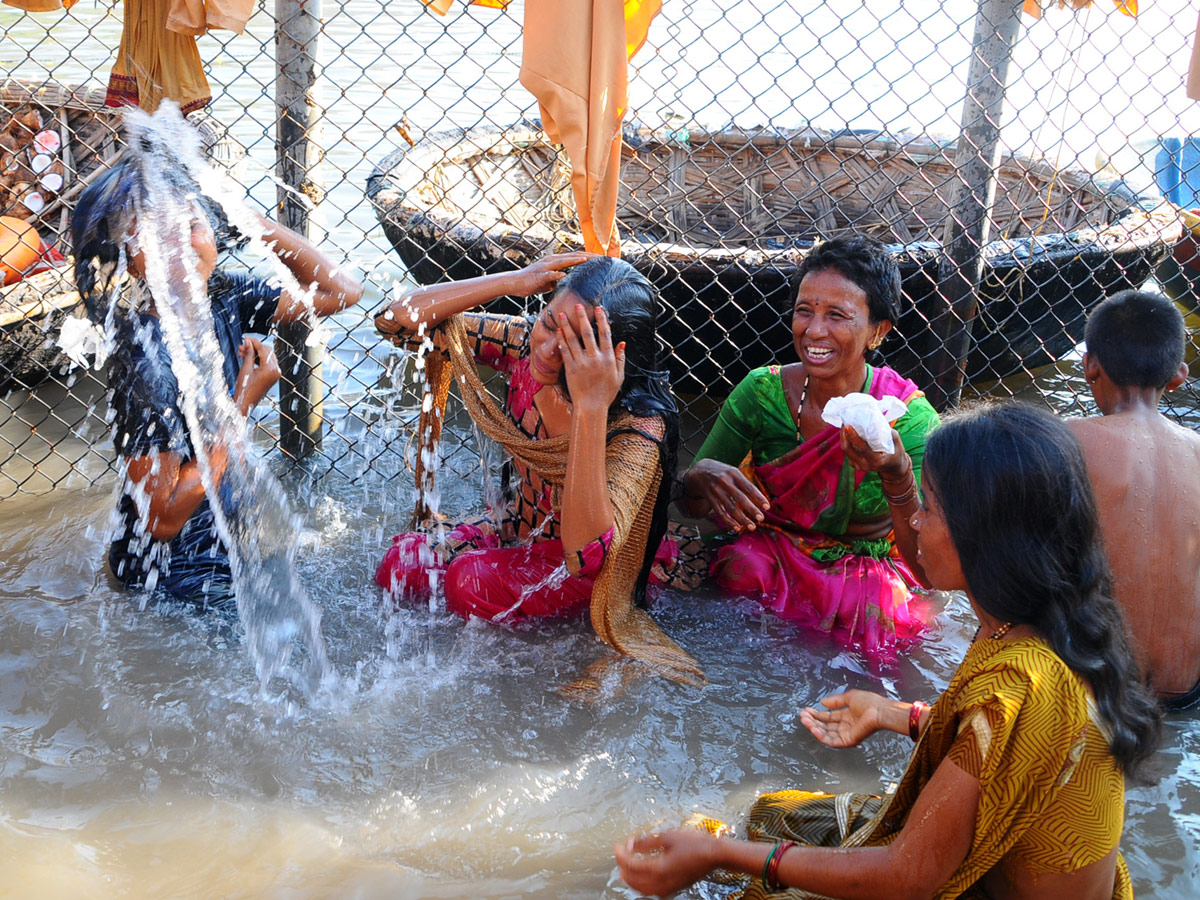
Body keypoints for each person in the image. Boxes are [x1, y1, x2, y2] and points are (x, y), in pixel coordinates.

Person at [616, 402, 1162, 900]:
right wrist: (894, 713)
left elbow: (907, 877)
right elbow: (1005, 751)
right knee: (773, 811)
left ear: (987, 538)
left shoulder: (1024, 684)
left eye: (933, 508)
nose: (917, 521)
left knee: (748, 881)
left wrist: (724, 856)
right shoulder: (1040, 623)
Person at [374, 255, 703, 684]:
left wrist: (591, 405)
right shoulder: (525, 345)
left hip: (592, 569)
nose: (547, 350)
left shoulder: (637, 424)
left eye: (571, 343)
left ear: (612, 356)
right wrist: (513, 281)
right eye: (549, 323)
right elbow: (396, 322)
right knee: (400, 565)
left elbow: (587, 556)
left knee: (468, 582)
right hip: (518, 529)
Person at [72, 155, 363, 612]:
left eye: (190, 225)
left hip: (223, 545)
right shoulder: (146, 365)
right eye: (153, 234)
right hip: (169, 578)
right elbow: (163, 521)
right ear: (128, 259)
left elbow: (341, 291)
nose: (179, 246)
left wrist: (249, 220)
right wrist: (242, 400)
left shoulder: (223, 295)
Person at [680, 235, 938, 658]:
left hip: (866, 567)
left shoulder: (908, 419)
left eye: (837, 315)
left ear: (878, 331)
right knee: (740, 566)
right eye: (805, 311)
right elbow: (691, 509)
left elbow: (929, 567)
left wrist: (897, 475)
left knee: (881, 610)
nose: (814, 330)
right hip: (774, 549)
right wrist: (700, 475)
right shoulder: (762, 392)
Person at [1067, 290, 1200, 711]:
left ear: (1090, 365)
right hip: (1186, 690)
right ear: (1177, 376)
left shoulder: (1069, 440)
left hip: (1097, 688)